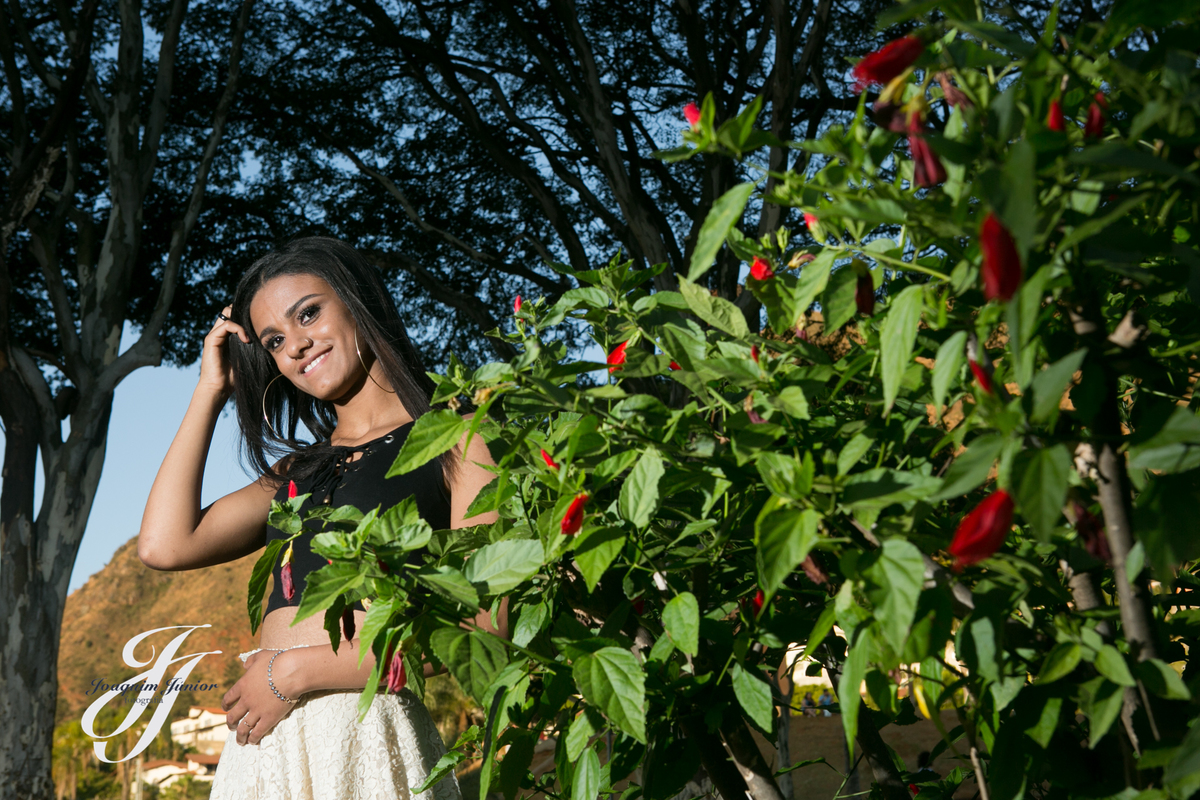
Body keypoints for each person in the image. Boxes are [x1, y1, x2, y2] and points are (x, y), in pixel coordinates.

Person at [138, 237, 501, 800]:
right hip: (264, 755)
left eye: (309, 313)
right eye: (275, 341)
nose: (298, 345)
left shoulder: (458, 432)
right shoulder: (298, 469)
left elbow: (485, 627)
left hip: (364, 735)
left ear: (356, 302)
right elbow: (164, 545)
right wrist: (210, 391)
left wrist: (294, 673)